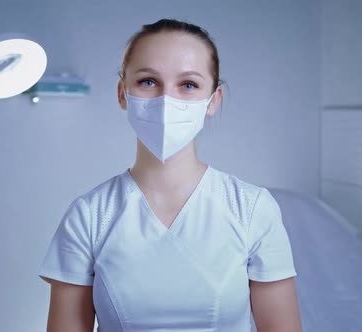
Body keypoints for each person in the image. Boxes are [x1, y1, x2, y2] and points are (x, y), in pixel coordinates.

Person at [38, 18, 302, 332]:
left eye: (188, 85)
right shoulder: (89, 216)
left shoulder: (251, 209)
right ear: (123, 94)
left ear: (213, 100)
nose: (167, 101)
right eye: (148, 81)